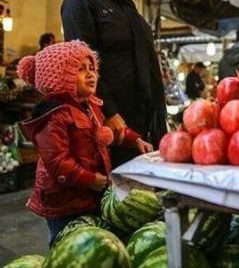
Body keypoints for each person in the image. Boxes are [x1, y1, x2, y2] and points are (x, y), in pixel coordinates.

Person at [17, 41, 152, 247]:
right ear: (59, 77)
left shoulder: (90, 106)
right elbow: (58, 162)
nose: (90, 74)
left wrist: (135, 140)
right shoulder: (53, 116)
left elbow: (107, 133)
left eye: (92, 68)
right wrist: (89, 179)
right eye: (80, 69)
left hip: (88, 195)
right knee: (66, 243)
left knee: (88, 243)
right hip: (63, 202)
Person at [61, 0, 167, 167]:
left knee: (139, 194)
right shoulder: (80, 2)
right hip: (110, 126)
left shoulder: (128, 7)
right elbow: (82, 65)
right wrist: (109, 112)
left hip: (141, 123)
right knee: (111, 192)